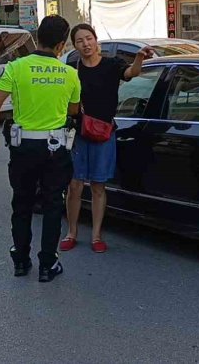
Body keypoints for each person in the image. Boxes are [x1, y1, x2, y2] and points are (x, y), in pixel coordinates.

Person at [0, 15, 81, 283]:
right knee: (51, 206)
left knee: (22, 203)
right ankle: (48, 264)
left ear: (37, 37)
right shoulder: (71, 74)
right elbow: (74, 109)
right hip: (55, 148)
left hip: (24, 147)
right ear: (62, 45)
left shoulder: (16, 68)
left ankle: (21, 261)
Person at [60, 24, 153, 254]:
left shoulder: (112, 64)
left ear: (96, 40)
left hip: (104, 133)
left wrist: (140, 58)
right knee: (74, 185)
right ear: (75, 45)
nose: (86, 44)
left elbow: (131, 73)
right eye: (80, 40)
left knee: (99, 186)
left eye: (89, 38)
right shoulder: (72, 69)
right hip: (79, 134)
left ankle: (96, 236)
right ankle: (71, 232)